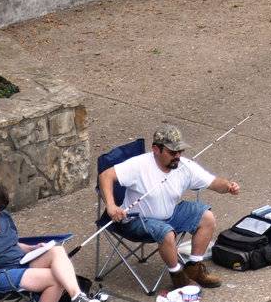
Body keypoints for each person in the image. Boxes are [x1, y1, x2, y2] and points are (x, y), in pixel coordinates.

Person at [98, 123, 241, 290]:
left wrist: (229, 187)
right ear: (156, 150)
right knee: (165, 232)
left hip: (170, 215)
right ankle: (177, 275)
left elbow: (214, 183)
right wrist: (111, 205)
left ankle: (194, 267)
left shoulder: (184, 166)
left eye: (180, 151)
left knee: (206, 217)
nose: (178, 156)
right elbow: (105, 176)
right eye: (172, 152)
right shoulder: (139, 165)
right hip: (137, 221)